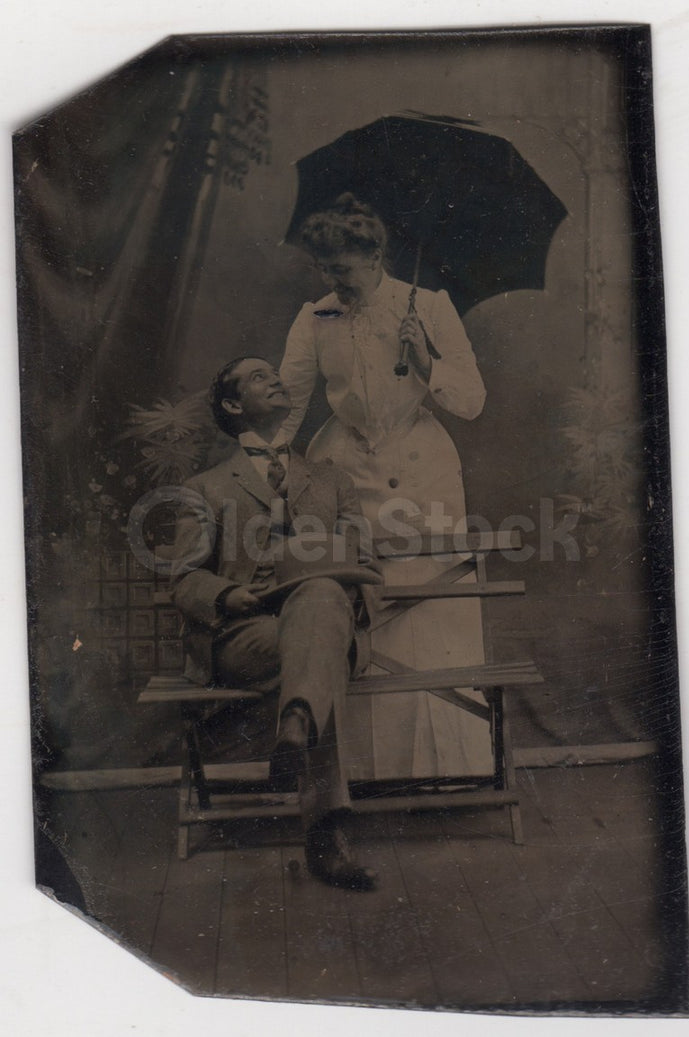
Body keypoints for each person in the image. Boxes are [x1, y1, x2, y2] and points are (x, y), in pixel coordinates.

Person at [279, 193, 492, 780]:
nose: (333, 283)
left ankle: (446, 768)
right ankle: (359, 775)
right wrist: (269, 463)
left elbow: (472, 401)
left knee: (428, 606)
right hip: (344, 472)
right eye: (324, 270)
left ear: (374, 257)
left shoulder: (429, 306)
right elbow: (289, 403)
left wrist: (426, 362)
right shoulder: (317, 316)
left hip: (424, 477)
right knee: (359, 604)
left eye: (342, 269)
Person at [169, 355, 378, 891]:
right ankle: (327, 831)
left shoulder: (331, 479)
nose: (276, 379)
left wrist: (338, 576)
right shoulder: (205, 488)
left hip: (322, 618)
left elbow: (364, 558)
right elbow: (184, 579)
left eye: (276, 373)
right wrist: (226, 593)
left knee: (322, 605)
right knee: (320, 657)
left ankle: (297, 720)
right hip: (248, 632)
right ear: (234, 405)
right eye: (259, 376)